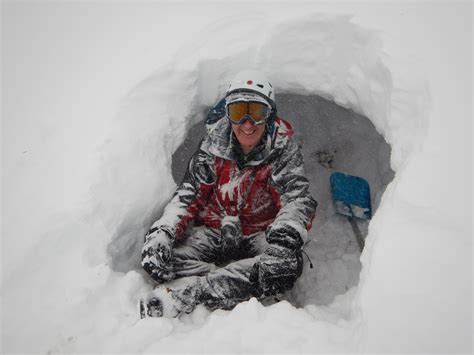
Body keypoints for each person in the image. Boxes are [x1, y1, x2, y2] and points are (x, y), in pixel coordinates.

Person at [139, 69, 317, 318]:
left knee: (284, 266)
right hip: (214, 229)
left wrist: (285, 235)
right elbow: (190, 193)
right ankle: (236, 279)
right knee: (161, 260)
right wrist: (163, 232)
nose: (247, 124)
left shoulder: (282, 149)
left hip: (260, 232)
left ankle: (191, 292)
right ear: (228, 114)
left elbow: (296, 197)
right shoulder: (213, 145)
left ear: (269, 115)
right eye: (237, 112)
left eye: (256, 112)